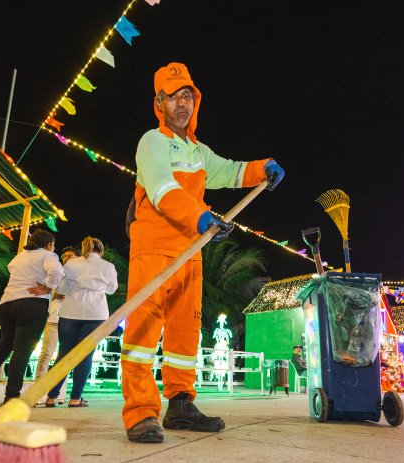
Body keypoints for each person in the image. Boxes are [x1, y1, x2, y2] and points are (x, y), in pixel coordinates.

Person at [120, 62, 284, 443]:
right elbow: (162, 190)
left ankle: (179, 405)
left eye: (189, 97)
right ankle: (141, 413)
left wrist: (262, 168)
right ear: (159, 101)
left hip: (190, 250)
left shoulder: (198, 151)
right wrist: (200, 217)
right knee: (143, 332)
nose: (183, 105)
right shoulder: (152, 142)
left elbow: (230, 172)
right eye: (174, 97)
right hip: (154, 249)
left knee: (184, 333)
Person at [0, 230, 63, 402]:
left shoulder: (20, 256)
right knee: (22, 349)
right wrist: (47, 288)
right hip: (32, 304)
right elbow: (57, 272)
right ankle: (12, 395)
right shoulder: (48, 255)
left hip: (7, 303)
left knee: (5, 343)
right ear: (49, 244)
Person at [46, 237, 117, 408]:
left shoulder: (70, 264)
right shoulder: (108, 266)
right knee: (85, 355)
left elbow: (61, 289)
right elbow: (112, 289)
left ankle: (51, 397)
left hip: (70, 311)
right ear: (101, 251)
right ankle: (75, 398)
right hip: (96, 313)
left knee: (64, 354)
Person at [34, 246, 79, 406]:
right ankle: (38, 393)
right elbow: (53, 292)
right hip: (53, 318)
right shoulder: (56, 272)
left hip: (71, 318)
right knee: (46, 354)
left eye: (71, 256)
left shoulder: (80, 275)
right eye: (65, 256)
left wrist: (60, 292)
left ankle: (59, 394)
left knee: (64, 358)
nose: (67, 258)